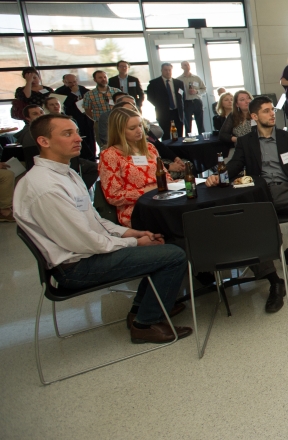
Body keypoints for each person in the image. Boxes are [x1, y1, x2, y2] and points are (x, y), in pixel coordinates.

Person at [14, 113, 191, 344]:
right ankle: (146, 324)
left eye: (77, 132)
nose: (78, 138)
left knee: (165, 244)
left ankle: (141, 309)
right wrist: (135, 243)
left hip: (85, 252)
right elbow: (86, 241)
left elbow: (94, 220)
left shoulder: (66, 173)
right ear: (43, 141)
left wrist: (130, 233)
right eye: (67, 134)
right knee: (174, 255)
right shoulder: (45, 186)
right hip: (76, 266)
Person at [205, 96, 288, 292]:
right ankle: (271, 277)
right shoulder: (246, 142)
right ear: (254, 116)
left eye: (272, 110)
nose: (272, 113)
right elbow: (234, 165)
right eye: (266, 111)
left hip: (287, 190)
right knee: (255, 228)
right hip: (260, 193)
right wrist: (217, 176)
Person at [98, 108, 174, 227]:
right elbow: (113, 196)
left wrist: (169, 183)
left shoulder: (149, 148)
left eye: (140, 125)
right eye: (132, 128)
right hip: (136, 209)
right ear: (119, 131)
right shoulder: (110, 155)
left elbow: (165, 175)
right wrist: (147, 191)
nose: (139, 131)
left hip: (161, 199)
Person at [55, 73, 96, 161]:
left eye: (74, 81)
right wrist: (73, 93)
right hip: (72, 119)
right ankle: (80, 160)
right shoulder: (60, 91)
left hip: (86, 118)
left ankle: (92, 160)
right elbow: (64, 105)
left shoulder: (83, 89)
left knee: (90, 140)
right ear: (64, 82)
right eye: (70, 82)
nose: (73, 84)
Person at [146, 63, 186, 140]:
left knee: (180, 134)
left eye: (169, 70)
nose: (168, 72)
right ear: (161, 70)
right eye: (165, 70)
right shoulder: (154, 83)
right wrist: (160, 105)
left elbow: (182, 97)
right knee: (165, 135)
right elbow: (150, 98)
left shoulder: (179, 83)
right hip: (163, 112)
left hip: (177, 112)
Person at [83, 70, 118, 147]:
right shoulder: (89, 94)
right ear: (95, 80)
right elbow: (87, 110)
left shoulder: (116, 91)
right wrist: (96, 120)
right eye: (100, 77)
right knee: (104, 145)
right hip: (100, 124)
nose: (103, 79)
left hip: (116, 122)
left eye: (105, 77)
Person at [177, 61, 207, 135]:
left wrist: (196, 91)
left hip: (197, 102)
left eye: (188, 65)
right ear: (181, 67)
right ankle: (188, 140)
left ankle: (203, 139)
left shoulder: (196, 78)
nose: (187, 66)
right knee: (188, 124)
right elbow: (178, 92)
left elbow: (204, 89)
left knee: (200, 122)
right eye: (185, 65)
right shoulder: (178, 79)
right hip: (187, 103)